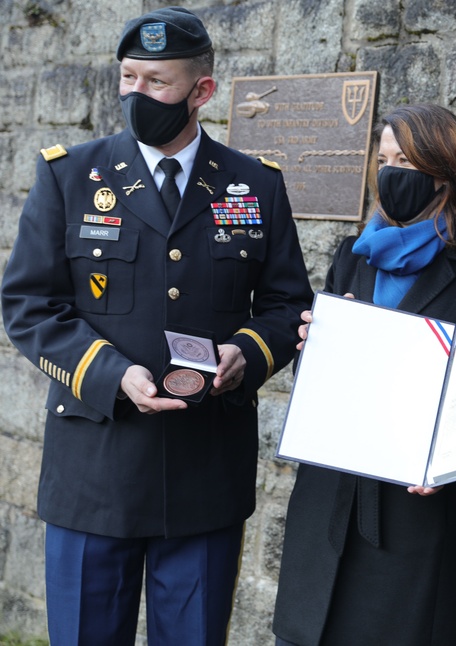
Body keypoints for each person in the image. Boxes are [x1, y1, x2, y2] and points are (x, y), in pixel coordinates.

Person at [0, 7, 312, 645]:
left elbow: (287, 307)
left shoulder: (256, 185)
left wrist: (245, 357)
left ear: (202, 92)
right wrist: (113, 375)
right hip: (97, 470)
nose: (136, 94)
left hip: (204, 474)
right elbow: (29, 305)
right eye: (128, 77)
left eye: (156, 82)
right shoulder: (69, 176)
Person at [271, 103, 456, 646]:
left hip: (412, 520)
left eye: (405, 160)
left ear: (444, 174)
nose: (390, 173)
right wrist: (312, 348)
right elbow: (318, 384)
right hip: (327, 508)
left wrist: (450, 460)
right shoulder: (351, 259)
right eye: (383, 159)